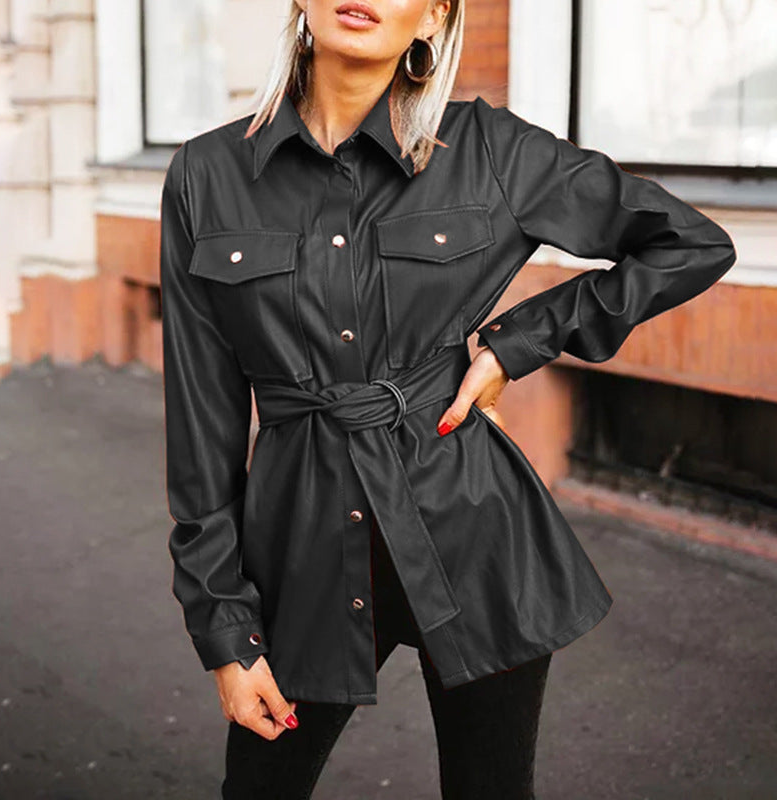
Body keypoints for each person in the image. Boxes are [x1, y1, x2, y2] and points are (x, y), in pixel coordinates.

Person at [158, 1, 737, 798]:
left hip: (473, 533)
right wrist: (224, 630)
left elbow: (691, 244)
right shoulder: (206, 175)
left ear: (433, 17)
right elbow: (201, 426)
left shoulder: (490, 151)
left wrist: (516, 344)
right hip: (301, 548)